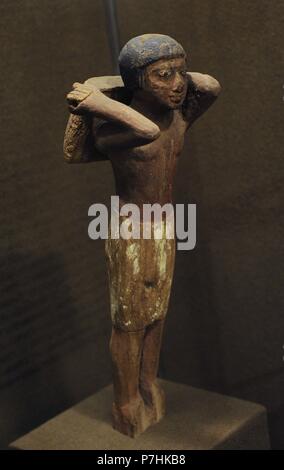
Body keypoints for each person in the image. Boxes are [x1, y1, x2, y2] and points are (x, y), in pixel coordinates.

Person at [66, 34, 221, 437]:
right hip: (129, 230)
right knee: (130, 322)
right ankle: (125, 399)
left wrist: (108, 87)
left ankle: (148, 382)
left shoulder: (179, 116)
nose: (179, 84)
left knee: (157, 315)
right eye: (162, 76)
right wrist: (99, 104)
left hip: (165, 225)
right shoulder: (120, 133)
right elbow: (140, 132)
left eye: (180, 72)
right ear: (136, 83)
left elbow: (210, 85)